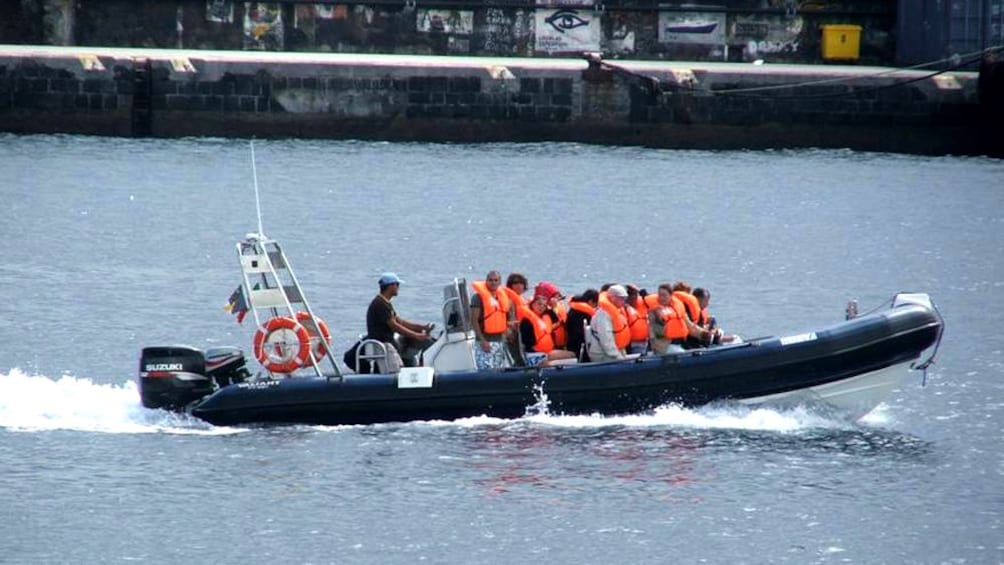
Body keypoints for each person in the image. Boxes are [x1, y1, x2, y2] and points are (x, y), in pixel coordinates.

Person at [365, 272, 434, 371]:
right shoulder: (380, 304)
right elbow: (395, 326)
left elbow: (400, 322)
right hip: (385, 345)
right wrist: (416, 336)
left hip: (390, 344)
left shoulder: (386, 303)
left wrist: (422, 327)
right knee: (398, 370)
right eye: (397, 284)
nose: (398, 287)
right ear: (391, 286)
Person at [470, 270, 516, 370]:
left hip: (499, 342)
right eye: (490, 280)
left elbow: (508, 312)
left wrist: (510, 325)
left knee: (500, 370)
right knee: (485, 371)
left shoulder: (502, 297)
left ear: (500, 282)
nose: (493, 282)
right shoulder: (478, 298)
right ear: (486, 281)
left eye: (496, 280)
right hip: (485, 341)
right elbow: (474, 320)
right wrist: (482, 341)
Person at [519, 293, 577, 366]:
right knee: (548, 365)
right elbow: (527, 342)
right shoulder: (526, 321)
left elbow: (555, 319)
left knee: (572, 355)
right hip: (534, 354)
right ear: (532, 304)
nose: (541, 307)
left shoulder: (545, 317)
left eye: (544, 305)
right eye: (539, 304)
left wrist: (551, 307)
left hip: (547, 352)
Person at [586, 284, 631, 362]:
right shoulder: (603, 315)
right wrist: (617, 356)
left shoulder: (616, 311)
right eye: (622, 298)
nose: (624, 301)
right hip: (602, 354)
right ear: (613, 298)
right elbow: (606, 339)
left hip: (616, 350)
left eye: (625, 298)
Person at [565, 288, 598, 362]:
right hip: (579, 347)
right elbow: (580, 334)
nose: (595, 307)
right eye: (595, 304)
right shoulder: (582, 314)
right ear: (590, 301)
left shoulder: (573, 310)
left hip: (571, 343)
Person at [534, 281, 568, 349]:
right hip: (549, 347)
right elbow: (548, 328)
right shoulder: (538, 310)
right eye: (554, 297)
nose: (557, 300)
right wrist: (553, 308)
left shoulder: (557, 307)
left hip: (560, 345)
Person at [624, 284, 650, 355]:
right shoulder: (622, 308)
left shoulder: (644, 303)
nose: (633, 297)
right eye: (630, 294)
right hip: (632, 344)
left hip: (646, 342)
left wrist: (646, 296)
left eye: (635, 294)